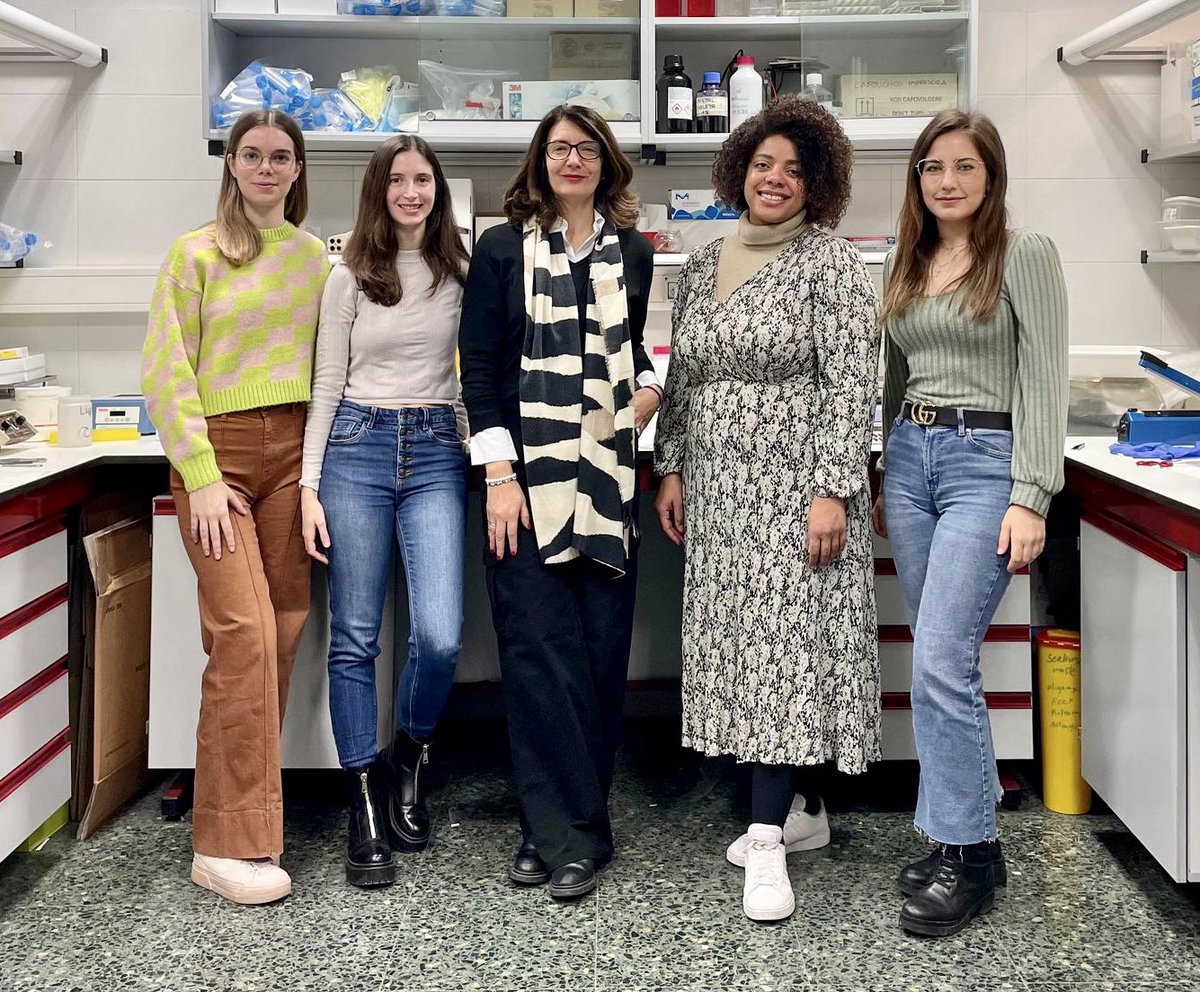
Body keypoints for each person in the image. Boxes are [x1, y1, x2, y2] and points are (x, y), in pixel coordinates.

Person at [653, 96, 881, 923]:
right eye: (763, 165)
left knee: (782, 656)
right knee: (744, 649)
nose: (775, 179)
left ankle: (765, 842)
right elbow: (685, 375)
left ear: (814, 183)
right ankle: (803, 812)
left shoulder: (831, 264)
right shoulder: (707, 258)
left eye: (793, 169)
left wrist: (830, 488)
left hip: (795, 495)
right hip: (720, 495)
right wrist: (671, 464)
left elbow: (854, 384)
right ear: (738, 172)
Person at [458, 105, 663, 901]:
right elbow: (478, 372)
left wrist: (648, 390)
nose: (570, 161)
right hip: (526, 487)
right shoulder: (502, 249)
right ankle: (569, 834)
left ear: (606, 164)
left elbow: (635, 352)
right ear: (539, 163)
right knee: (538, 657)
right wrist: (499, 477)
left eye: (584, 150)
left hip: (608, 486)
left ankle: (561, 828)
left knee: (599, 658)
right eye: (557, 149)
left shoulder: (634, 254)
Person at [872, 109, 1068, 937]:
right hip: (911, 458)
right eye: (932, 168)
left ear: (991, 178)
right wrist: (879, 464)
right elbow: (891, 372)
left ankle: (964, 851)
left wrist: (1033, 493)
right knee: (938, 657)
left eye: (964, 167)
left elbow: (1045, 377)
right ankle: (969, 842)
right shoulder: (906, 259)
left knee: (944, 661)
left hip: (986, 462)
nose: (946, 181)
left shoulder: (1024, 255)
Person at [141, 109, 328, 904]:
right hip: (217, 458)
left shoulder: (315, 259)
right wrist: (201, 469)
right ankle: (222, 841)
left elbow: (339, 352)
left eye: (279, 156)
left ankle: (253, 813)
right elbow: (164, 368)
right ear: (231, 163)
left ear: (296, 169)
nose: (264, 167)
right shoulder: (195, 253)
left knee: (282, 631)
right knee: (243, 634)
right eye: (250, 155)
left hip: (294, 454)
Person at [299, 135, 470, 889]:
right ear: (379, 190)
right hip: (354, 450)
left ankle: (410, 751)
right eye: (397, 179)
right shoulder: (346, 278)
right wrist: (308, 486)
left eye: (422, 179)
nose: (411, 191)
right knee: (354, 639)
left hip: (435, 448)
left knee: (439, 633)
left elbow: (465, 379)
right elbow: (325, 385)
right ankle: (362, 794)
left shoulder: (456, 273)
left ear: (437, 190)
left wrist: (483, 453)